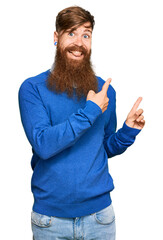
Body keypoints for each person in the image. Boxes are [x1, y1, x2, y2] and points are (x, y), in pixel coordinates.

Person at [18, 6, 145, 240]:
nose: (79, 42)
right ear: (56, 38)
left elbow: (103, 148)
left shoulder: (105, 92)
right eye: (71, 33)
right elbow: (43, 144)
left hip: (100, 218)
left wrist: (127, 132)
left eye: (86, 35)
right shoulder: (32, 89)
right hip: (50, 221)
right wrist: (90, 111)